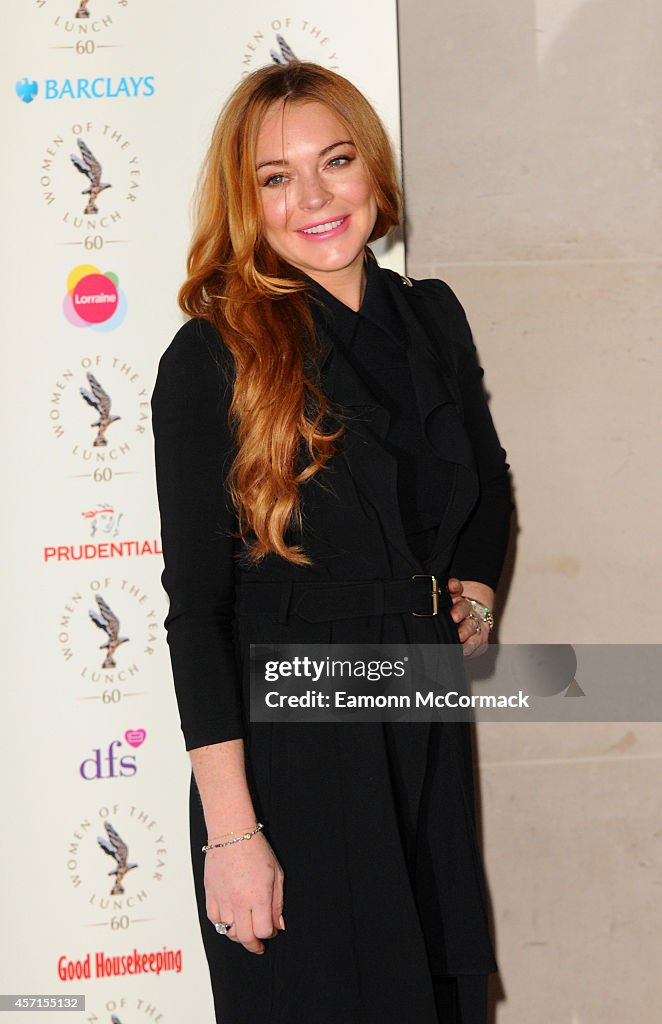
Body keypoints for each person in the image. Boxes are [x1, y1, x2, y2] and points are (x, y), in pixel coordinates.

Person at [152, 60, 513, 1024]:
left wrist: (468, 593)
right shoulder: (212, 353)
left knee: (437, 998)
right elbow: (199, 613)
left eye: (336, 160)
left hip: (420, 710)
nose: (313, 196)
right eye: (277, 177)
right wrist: (233, 838)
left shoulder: (429, 314)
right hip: (295, 743)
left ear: (373, 172)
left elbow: (486, 482)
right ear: (248, 199)